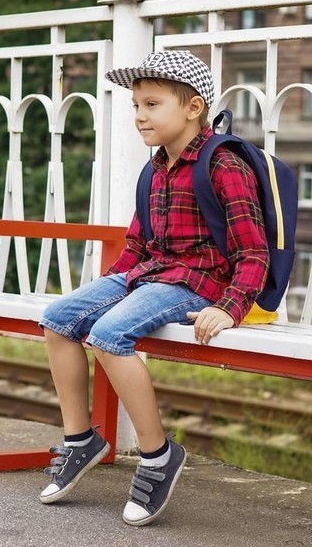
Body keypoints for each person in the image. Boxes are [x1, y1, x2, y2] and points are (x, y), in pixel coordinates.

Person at [37, 50, 269, 526]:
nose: (140, 115)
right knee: (59, 318)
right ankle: (81, 440)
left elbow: (254, 252)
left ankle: (158, 455)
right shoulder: (155, 167)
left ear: (193, 107)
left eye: (152, 104)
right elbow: (138, 244)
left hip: (200, 282)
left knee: (108, 334)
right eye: (135, 106)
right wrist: (109, 284)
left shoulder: (222, 164)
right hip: (152, 274)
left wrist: (231, 306)